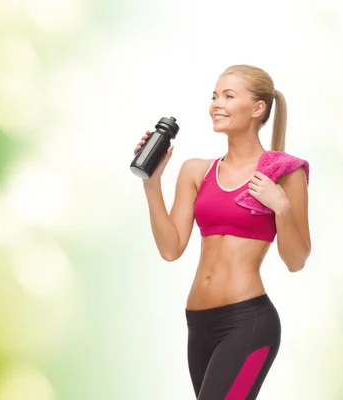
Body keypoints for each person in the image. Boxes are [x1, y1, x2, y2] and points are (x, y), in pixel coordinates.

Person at [133, 64, 311, 399]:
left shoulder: (284, 174)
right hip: (198, 323)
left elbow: (297, 259)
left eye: (229, 96)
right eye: (215, 96)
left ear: (258, 108)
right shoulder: (196, 171)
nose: (217, 104)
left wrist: (282, 207)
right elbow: (171, 248)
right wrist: (152, 183)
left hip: (248, 323)